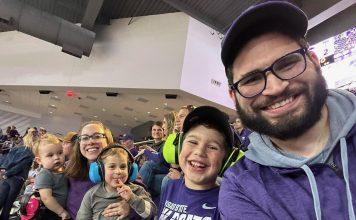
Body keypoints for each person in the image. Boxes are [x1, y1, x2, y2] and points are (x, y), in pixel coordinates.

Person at [219, 1, 356, 219]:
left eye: (287, 64)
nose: (275, 88)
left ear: (314, 61)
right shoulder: (241, 188)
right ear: (233, 96)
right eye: (252, 79)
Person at [158, 106, 233, 219]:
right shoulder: (171, 186)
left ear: (226, 159)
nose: (199, 152)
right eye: (193, 142)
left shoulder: (227, 203)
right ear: (180, 147)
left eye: (212, 147)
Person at [65, 121, 130, 219]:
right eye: (85, 138)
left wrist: (131, 206)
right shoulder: (70, 168)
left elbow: (147, 204)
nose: (90, 142)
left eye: (97, 136)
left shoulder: (124, 169)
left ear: (108, 141)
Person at [77, 144, 157, 219]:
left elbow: (151, 213)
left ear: (130, 170)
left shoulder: (137, 190)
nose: (118, 171)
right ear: (101, 170)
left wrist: (132, 198)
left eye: (123, 167)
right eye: (112, 166)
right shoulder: (91, 195)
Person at [0, 127, 36, 220]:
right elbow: (20, 167)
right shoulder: (31, 153)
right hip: (17, 180)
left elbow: (7, 161)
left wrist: (6, 173)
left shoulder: (17, 149)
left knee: (1, 200)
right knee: (8, 205)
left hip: (7, 177)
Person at [33, 134, 69, 219]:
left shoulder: (62, 169)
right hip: (51, 213)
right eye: (50, 155)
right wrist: (61, 212)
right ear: (39, 160)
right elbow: (46, 198)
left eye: (60, 153)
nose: (57, 157)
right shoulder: (45, 174)